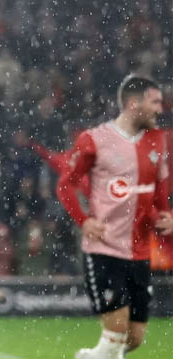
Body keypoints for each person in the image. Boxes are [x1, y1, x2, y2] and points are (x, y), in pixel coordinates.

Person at [56, 75, 173, 359]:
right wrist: (84, 221)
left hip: (140, 252)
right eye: (155, 102)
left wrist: (167, 215)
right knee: (115, 335)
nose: (161, 109)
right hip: (105, 250)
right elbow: (65, 185)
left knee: (133, 339)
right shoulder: (94, 140)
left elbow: (159, 191)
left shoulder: (158, 140)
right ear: (134, 103)